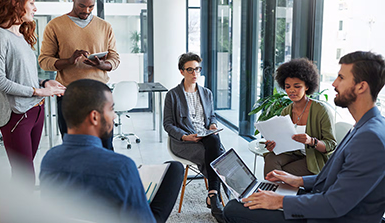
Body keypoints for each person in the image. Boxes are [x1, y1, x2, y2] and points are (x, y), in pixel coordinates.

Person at [223, 51, 385, 223]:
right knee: (255, 194)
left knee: (233, 209)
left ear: (361, 86)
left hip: (327, 215)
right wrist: (297, 180)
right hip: (320, 198)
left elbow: (335, 204)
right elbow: (335, 179)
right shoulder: (365, 126)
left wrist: (279, 201)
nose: (334, 83)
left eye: (341, 77)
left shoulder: (370, 138)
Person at [40, 79, 184, 223]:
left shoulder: (49, 159)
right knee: (175, 168)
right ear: (94, 117)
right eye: (111, 109)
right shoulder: (121, 166)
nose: (115, 116)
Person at [0, 0, 65, 185]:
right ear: (15, 3)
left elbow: (23, 77)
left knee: (26, 172)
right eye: (31, 3)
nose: (35, 8)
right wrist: (37, 91)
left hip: (36, 111)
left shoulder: (21, 36)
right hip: (17, 115)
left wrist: (45, 83)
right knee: (25, 176)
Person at [38, 0, 120, 150]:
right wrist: (69, 61)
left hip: (100, 94)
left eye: (91, 6)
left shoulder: (105, 26)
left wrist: (102, 65)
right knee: (73, 147)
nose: (86, 11)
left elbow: (115, 59)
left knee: (106, 146)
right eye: (82, 5)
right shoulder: (55, 26)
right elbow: (44, 61)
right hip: (69, 95)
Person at [164, 52, 225, 223]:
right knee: (219, 154)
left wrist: (212, 125)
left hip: (206, 136)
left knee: (213, 140)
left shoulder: (206, 93)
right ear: (182, 71)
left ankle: (212, 194)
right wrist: (185, 137)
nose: (194, 74)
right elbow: (168, 124)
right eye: (190, 70)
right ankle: (217, 196)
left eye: (197, 69)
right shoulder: (172, 95)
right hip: (184, 141)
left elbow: (211, 116)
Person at [263, 58, 337, 176]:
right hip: (293, 154)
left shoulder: (321, 110)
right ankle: (271, 191)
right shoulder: (286, 111)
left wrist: (311, 141)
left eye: (297, 86)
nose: (291, 90)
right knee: (271, 158)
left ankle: (275, 192)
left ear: (307, 86)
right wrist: (273, 145)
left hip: (314, 159)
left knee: (281, 173)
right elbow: (284, 142)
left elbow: (331, 145)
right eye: (287, 86)